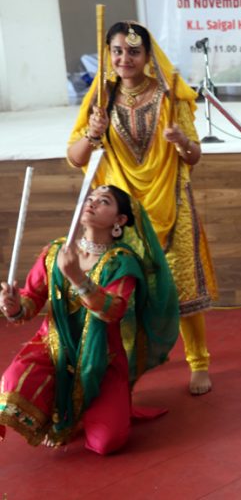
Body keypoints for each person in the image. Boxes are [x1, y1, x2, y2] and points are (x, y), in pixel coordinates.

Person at [66, 22, 218, 395]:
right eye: (117, 51)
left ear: (148, 57)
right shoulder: (100, 98)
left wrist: (180, 139)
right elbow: (74, 158)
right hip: (120, 207)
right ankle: (122, 366)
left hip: (171, 198)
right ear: (108, 55)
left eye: (133, 51)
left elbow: (193, 155)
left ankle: (199, 362)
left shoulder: (170, 97)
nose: (124, 58)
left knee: (182, 282)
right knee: (123, 285)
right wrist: (92, 133)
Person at [0, 185, 179, 454]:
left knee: (105, 444)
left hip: (102, 361)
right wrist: (13, 306)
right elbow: (30, 300)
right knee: (13, 382)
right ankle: (58, 410)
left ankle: (86, 407)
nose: (92, 203)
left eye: (104, 201)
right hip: (53, 348)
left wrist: (77, 277)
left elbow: (112, 311)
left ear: (119, 221)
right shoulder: (56, 252)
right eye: (90, 198)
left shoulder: (121, 262)